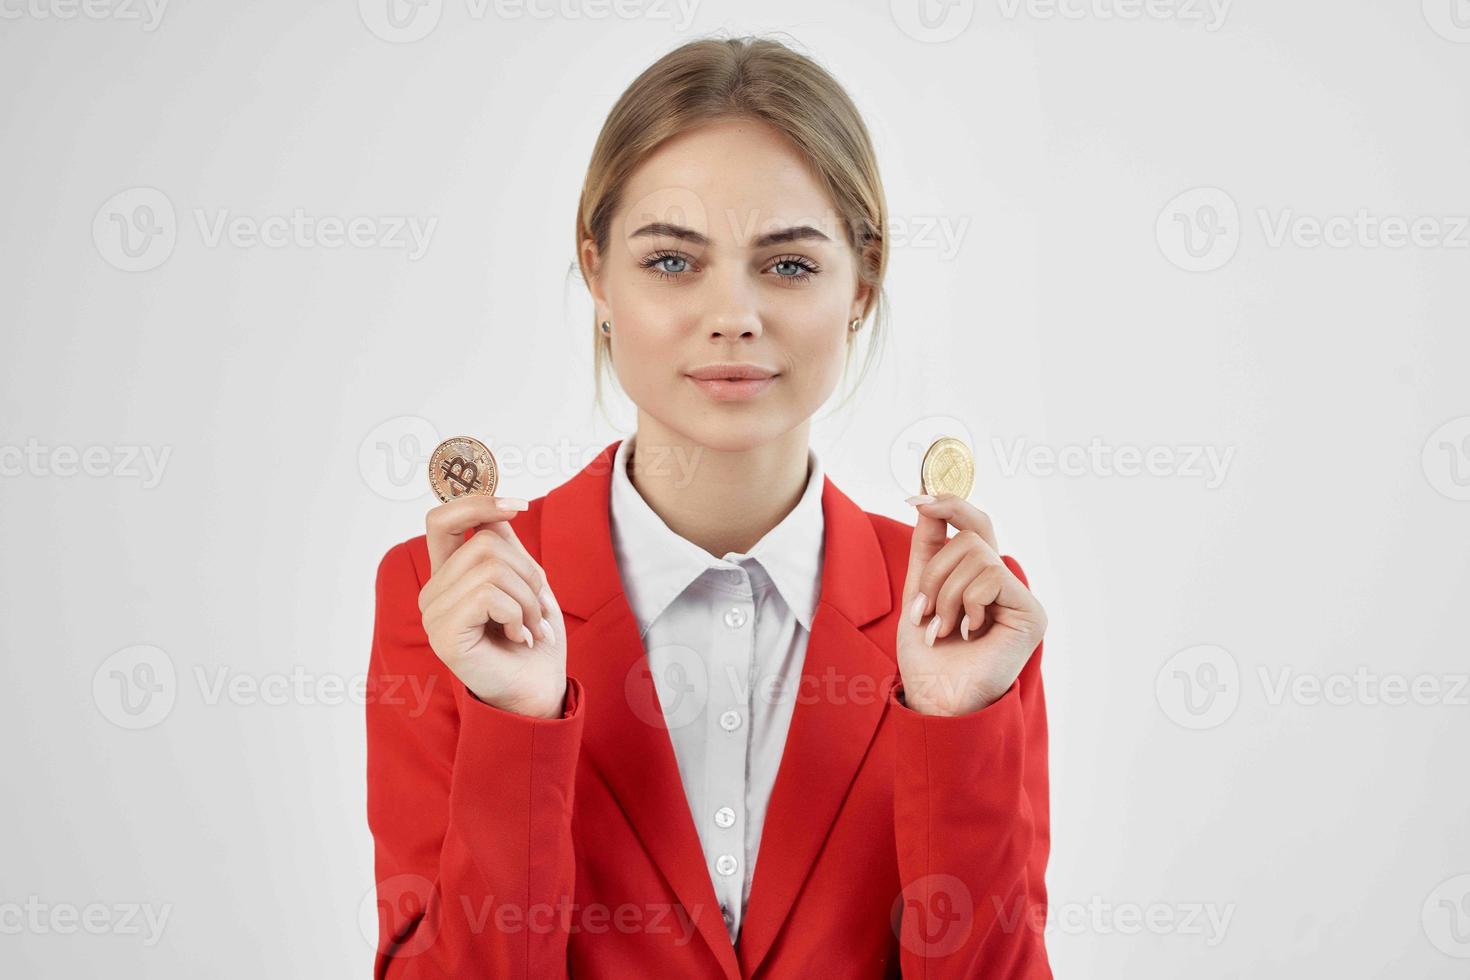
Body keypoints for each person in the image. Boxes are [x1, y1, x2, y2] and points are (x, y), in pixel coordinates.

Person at [366, 34, 1052, 979]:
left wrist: (952, 730)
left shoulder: (965, 612)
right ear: (597, 272)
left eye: (789, 265)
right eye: (674, 263)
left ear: (864, 282)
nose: (732, 314)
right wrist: (515, 724)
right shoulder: (445, 594)